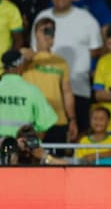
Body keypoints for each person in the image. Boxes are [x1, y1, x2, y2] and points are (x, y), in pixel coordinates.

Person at [32, 0, 103, 132]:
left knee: (75, 136)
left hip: (78, 88)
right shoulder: (41, 18)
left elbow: (96, 50)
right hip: (46, 92)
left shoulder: (86, 20)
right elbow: (35, 51)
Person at [22, 17, 76, 146]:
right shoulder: (27, 57)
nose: (47, 34)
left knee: (56, 161)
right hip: (32, 120)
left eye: (50, 31)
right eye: (43, 30)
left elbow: (67, 93)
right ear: (35, 34)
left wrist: (72, 120)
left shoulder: (61, 62)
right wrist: (28, 55)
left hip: (58, 120)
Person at [0, 50, 58, 141]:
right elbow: (45, 122)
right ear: (20, 65)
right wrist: (32, 146)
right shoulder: (31, 91)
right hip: (23, 152)